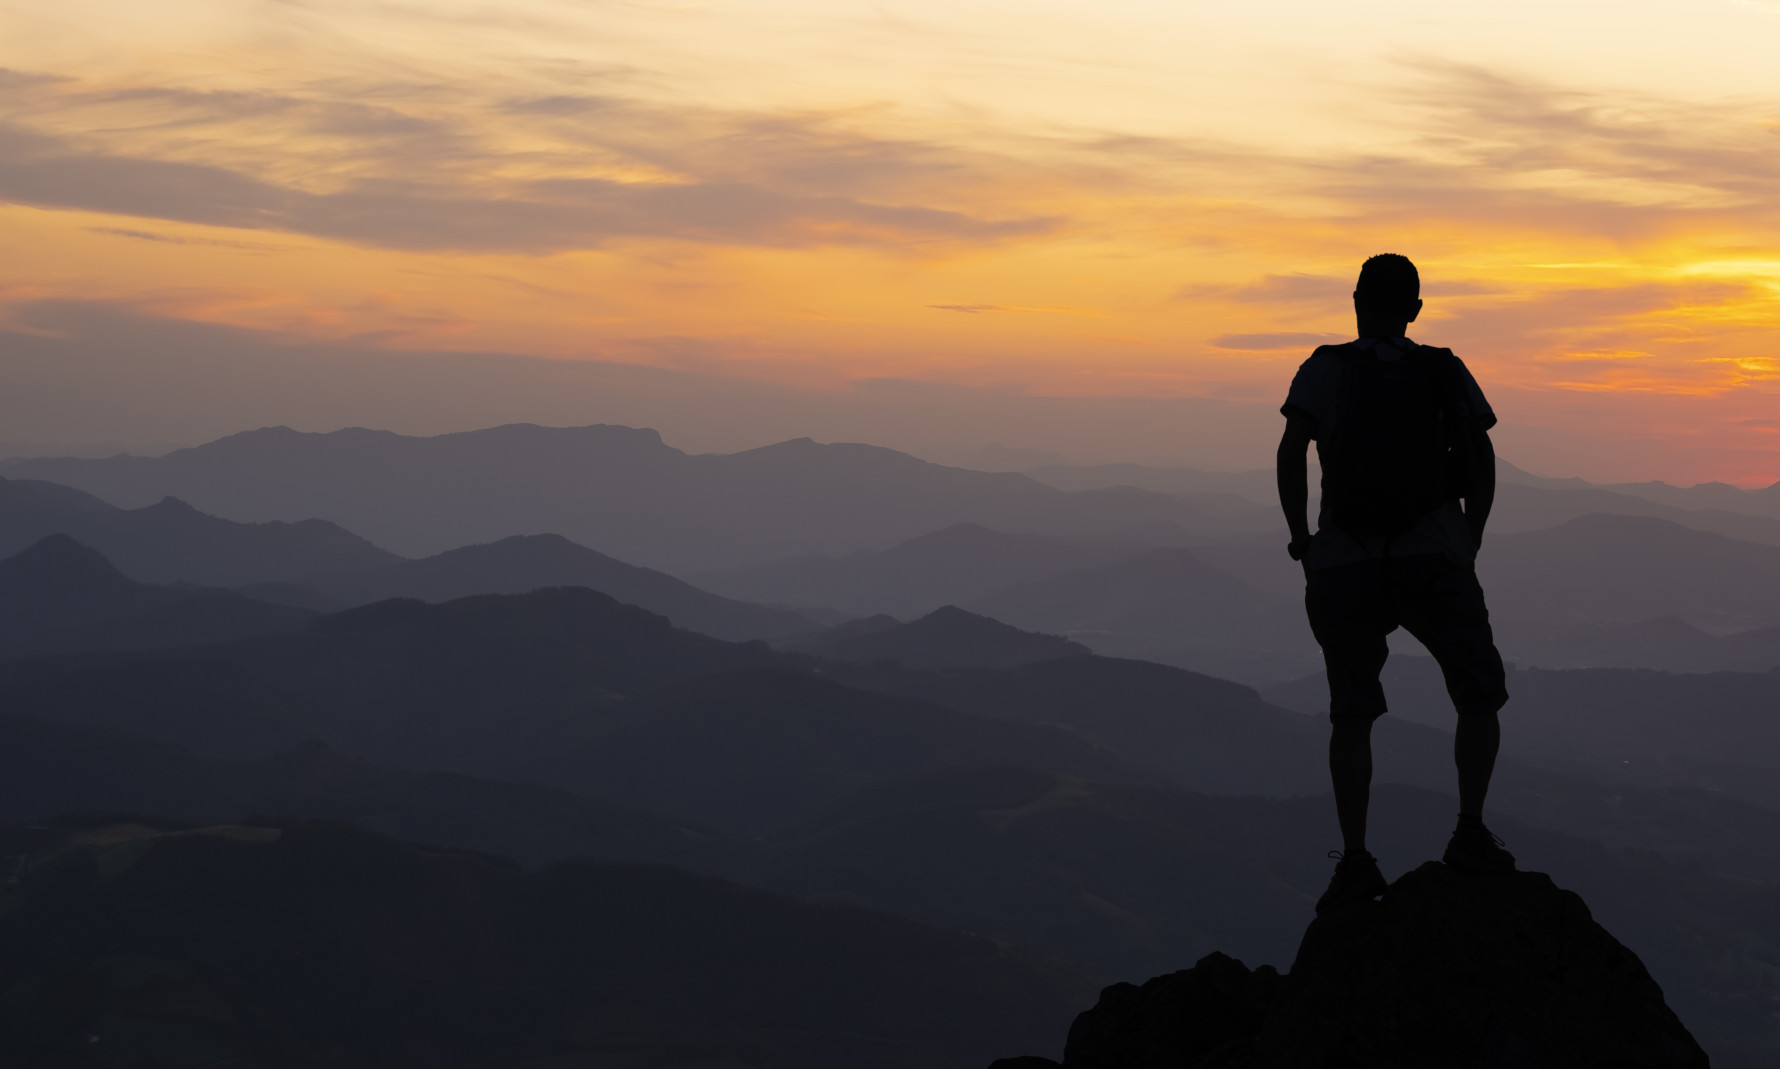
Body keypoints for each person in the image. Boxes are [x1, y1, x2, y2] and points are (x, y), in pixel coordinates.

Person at [1276, 253, 1516, 916]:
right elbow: (1483, 453)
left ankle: (1354, 858)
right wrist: (1472, 535)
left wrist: (1302, 537)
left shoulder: (1324, 368)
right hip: (1434, 551)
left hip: (1344, 559)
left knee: (1351, 710)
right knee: (1477, 692)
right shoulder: (1443, 367)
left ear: (1356, 301)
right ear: (1414, 307)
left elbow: (1292, 449)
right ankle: (1469, 829)